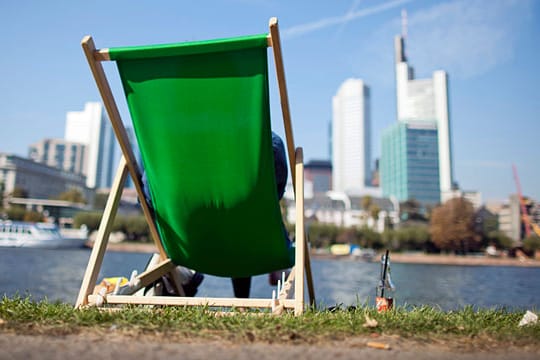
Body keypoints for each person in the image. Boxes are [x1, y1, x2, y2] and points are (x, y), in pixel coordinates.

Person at [141, 132, 289, 298]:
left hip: (185, 234)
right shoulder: (265, 141)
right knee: (245, 203)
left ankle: (180, 271)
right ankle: (278, 254)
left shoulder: (164, 137)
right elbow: (274, 192)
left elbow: (148, 194)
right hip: (242, 219)